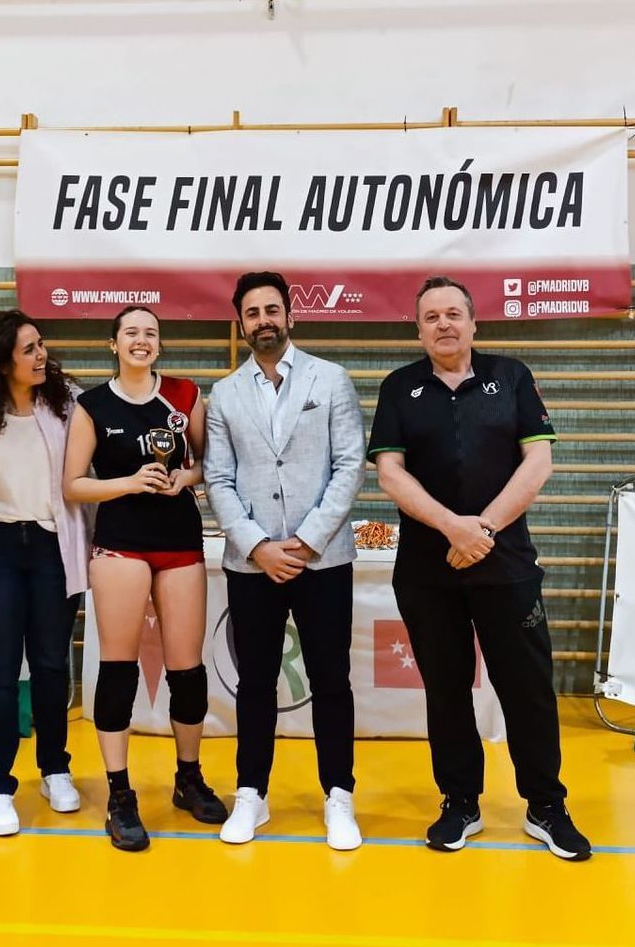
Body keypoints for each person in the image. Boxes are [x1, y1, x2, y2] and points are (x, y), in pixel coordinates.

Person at [367, 276, 593, 861]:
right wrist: (454, 528)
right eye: (431, 317)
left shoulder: (511, 376)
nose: (443, 324)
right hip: (429, 570)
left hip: (507, 565)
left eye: (453, 314)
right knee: (446, 691)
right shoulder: (398, 387)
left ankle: (546, 806)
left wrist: (483, 530)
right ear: (418, 330)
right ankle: (460, 802)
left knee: (528, 690)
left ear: (473, 323)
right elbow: (390, 472)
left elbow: (538, 461)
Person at [203, 272, 365, 850]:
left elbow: (350, 465)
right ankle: (251, 793)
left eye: (272, 310)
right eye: (252, 313)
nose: (264, 320)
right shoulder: (224, 394)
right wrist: (257, 545)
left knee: (331, 680)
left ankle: (339, 795)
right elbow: (218, 478)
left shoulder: (331, 378)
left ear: (290, 316)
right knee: (254, 682)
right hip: (253, 564)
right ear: (241, 323)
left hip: (323, 559)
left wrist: (308, 540)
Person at [63, 305, 229, 851]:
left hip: (179, 540)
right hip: (121, 544)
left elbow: (208, 463)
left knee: (187, 669)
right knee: (118, 667)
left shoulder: (184, 394)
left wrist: (185, 477)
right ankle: (119, 793)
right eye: (131, 332)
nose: (142, 340)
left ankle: (188, 777)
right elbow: (73, 485)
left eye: (151, 333)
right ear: (113, 344)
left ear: (160, 343)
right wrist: (130, 482)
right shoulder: (91, 405)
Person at [0, 309, 91, 836]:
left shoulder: (67, 403)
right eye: (29, 349)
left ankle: (55, 768)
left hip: (53, 546)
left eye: (41, 345)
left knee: (52, 664)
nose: (41, 355)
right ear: (1, 361)